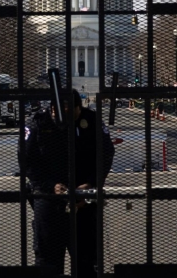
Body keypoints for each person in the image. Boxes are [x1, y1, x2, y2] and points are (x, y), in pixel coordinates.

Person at [22, 88, 115, 276]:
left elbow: (106, 154)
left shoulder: (92, 121)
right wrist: (49, 187)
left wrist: (91, 184)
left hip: (84, 201)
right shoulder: (38, 123)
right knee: (47, 262)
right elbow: (27, 160)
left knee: (87, 261)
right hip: (48, 201)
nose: (61, 117)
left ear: (78, 109)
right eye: (57, 112)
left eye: (68, 112)